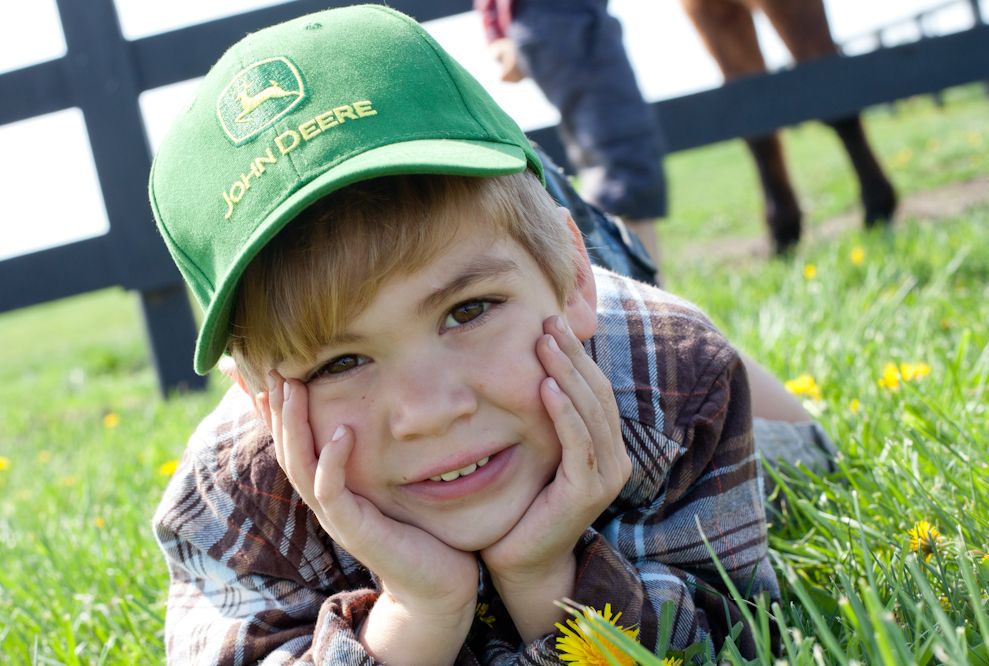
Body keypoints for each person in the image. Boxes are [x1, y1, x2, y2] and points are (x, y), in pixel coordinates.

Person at [149, 6, 833, 663]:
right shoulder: (230, 498)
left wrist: (544, 580)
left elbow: (735, 630)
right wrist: (418, 612)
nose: (432, 410)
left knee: (808, 460)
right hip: (540, 276)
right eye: (341, 361)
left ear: (571, 282)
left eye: (467, 312)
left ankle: (586, 257)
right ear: (265, 403)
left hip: (596, 302)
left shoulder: (669, 380)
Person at [475, 0, 667, 272]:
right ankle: (631, 300)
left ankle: (625, 295)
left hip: (562, 18)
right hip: (564, 16)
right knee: (623, 167)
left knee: (618, 161)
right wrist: (496, 27)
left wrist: (496, 27)